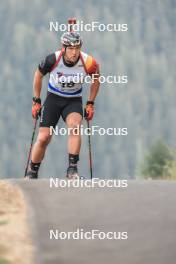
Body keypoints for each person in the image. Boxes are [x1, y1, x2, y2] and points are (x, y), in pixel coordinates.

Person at [25, 30, 100, 179]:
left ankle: (72, 169)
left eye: (77, 48)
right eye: (71, 48)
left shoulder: (89, 62)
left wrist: (90, 103)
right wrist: (36, 101)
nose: (74, 52)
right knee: (44, 137)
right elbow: (38, 75)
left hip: (73, 100)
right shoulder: (53, 59)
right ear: (63, 48)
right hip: (53, 98)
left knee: (75, 127)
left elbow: (96, 79)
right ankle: (32, 171)